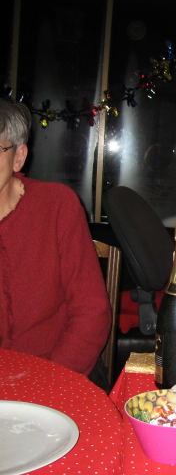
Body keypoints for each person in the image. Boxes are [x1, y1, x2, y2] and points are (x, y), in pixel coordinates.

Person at [0, 98, 110, 374]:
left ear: (18, 157)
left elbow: (91, 312)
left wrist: (49, 380)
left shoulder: (56, 205)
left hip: (54, 372)